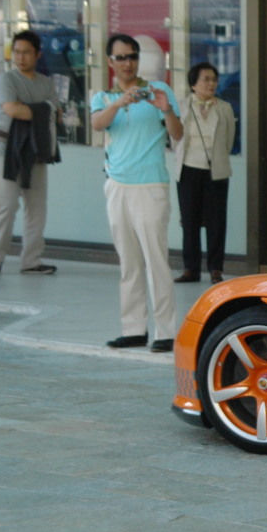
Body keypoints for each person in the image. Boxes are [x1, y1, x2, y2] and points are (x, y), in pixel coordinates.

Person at [89, 33, 184, 352]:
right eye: (121, 58)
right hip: (117, 186)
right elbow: (97, 125)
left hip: (150, 185)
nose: (127, 63)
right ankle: (133, 328)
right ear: (110, 62)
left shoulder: (159, 91)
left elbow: (178, 134)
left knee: (156, 260)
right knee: (128, 261)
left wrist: (166, 109)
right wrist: (119, 102)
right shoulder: (102, 97)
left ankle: (166, 331)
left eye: (132, 56)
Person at [0, 29, 60, 276]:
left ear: (37, 55)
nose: (20, 57)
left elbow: (55, 111)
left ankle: (31, 261)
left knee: (37, 208)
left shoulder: (45, 83)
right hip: (7, 149)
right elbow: (12, 110)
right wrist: (42, 110)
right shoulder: (6, 80)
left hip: (37, 151)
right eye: (16, 52)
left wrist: (33, 109)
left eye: (26, 52)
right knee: (6, 205)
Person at [174, 62, 236, 284]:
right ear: (193, 84)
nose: (211, 83)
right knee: (189, 221)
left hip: (216, 171)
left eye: (214, 79)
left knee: (216, 221)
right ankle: (191, 268)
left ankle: (215, 268)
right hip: (188, 169)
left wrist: (217, 157)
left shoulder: (225, 108)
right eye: (205, 79)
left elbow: (228, 140)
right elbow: (175, 138)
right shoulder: (181, 106)